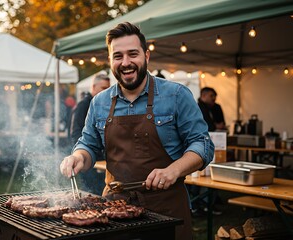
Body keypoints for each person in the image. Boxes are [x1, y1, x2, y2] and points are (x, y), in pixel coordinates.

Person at [60, 22, 214, 240]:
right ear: (111, 60)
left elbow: (203, 145)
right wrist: (78, 157)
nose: (126, 63)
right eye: (118, 56)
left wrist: (173, 170)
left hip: (167, 211)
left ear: (147, 56)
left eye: (133, 54)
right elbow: (89, 144)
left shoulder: (176, 95)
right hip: (113, 209)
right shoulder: (100, 102)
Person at [69, 73, 110, 195]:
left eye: (108, 88)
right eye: (103, 88)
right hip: (86, 160)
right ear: (93, 87)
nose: (106, 91)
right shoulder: (83, 105)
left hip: (99, 159)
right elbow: (75, 133)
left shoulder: (105, 105)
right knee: (91, 193)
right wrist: (81, 154)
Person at [189, 87, 226, 216]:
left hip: (214, 144)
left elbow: (222, 123)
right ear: (204, 95)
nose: (214, 99)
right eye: (211, 96)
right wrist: (216, 126)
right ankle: (197, 204)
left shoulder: (215, 107)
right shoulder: (197, 106)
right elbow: (207, 125)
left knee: (211, 174)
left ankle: (207, 203)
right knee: (197, 175)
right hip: (198, 145)